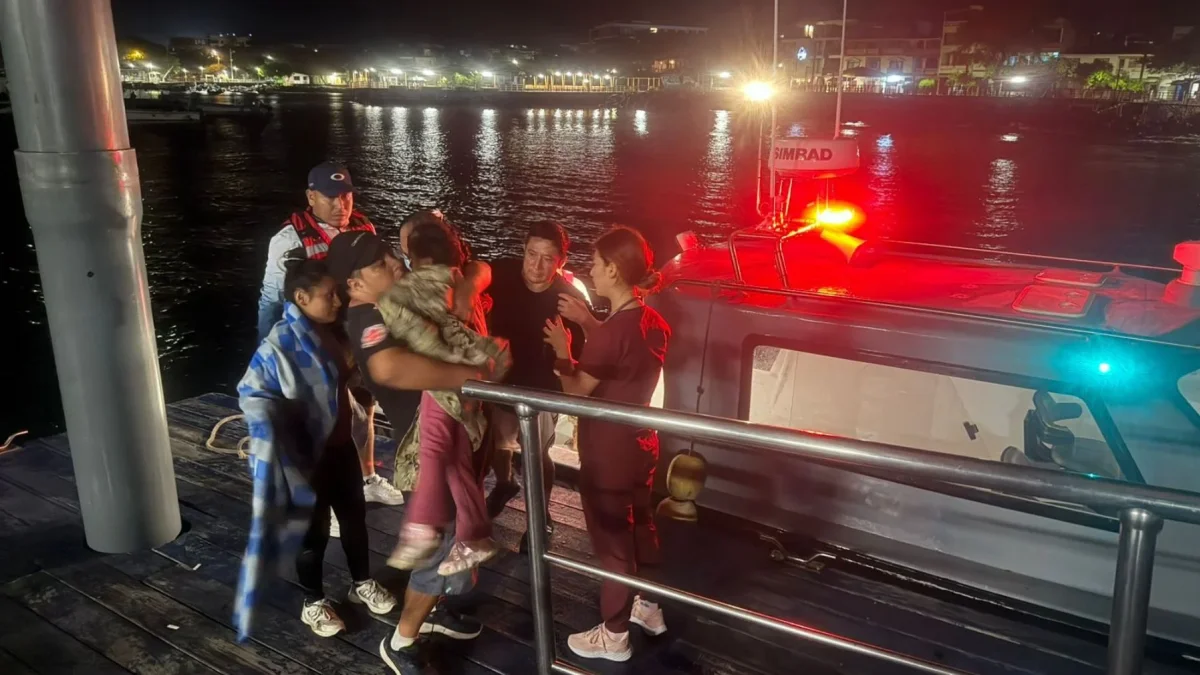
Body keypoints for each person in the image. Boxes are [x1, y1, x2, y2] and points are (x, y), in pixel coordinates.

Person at [326, 230, 492, 675]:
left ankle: (437, 611)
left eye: (391, 255)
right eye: (381, 264)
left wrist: (469, 286)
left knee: (457, 538)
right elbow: (388, 367)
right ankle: (401, 641)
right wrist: (465, 374)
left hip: (449, 442)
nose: (395, 265)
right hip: (422, 454)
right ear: (355, 284)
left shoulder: (395, 300)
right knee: (438, 547)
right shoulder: (367, 319)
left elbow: (474, 271)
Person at [234, 250, 396, 641]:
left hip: (340, 448)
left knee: (355, 519)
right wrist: (276, 425)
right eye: (329, 295)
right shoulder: (279, 344)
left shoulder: (335, 330)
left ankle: (361, 583)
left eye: (338, 293)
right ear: (301, 298)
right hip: (307, 458)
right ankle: (313, 601)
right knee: (314, 532)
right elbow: (251, 391)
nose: (338, 301)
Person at [543, 226, 672, 662]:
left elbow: (577, 392)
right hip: (641, 442)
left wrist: (564, 350)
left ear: (614, 270)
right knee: (641, 524)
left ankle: (614, 635)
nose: (592, 271)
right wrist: (589, 323)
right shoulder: (653, 322)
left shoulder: (610, 333)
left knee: (612, 539)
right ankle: (648, 607)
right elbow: (622, 354)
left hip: (607, 450)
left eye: (597, 264)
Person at [256, 161, 404, 518]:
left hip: (356, 338)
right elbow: (271, 298)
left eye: (346, 196)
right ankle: (328, 503)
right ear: (311, 197)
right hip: (315, 344)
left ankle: (367, 478)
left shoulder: (363, 228)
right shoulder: (288, 240)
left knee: (364, 409)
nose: (341, 205)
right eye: (331, 197)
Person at [375, 218, 510, 575]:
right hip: (469, 383)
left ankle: (422, 525)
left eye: (406, 248)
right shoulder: (460, 280)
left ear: (419, 257)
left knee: (434, 446)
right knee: (456, 461)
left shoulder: (424, 285)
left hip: (445, 379)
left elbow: (413, 320)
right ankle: (474, 534)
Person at [484, 222, 588, 550]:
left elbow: (576, 361)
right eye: (531, 254)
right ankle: (504, 484)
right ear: (523, 250)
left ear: (561, 261)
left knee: (536, 455)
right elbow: (469, 274)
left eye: (547, 258)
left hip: (542, 389)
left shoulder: (569, 300)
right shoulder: (501, 274)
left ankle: (540, 518)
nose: (537, 266)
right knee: (496, 443)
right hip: (500, 379)